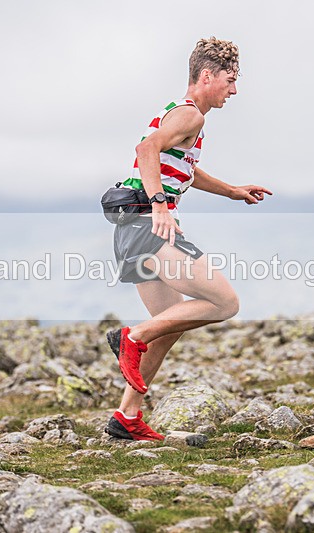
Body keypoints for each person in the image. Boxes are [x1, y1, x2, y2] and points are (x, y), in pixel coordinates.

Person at [104, 37, 272, 441]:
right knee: (225, 302)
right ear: (207, 76)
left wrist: (232, 190)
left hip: (131, 230)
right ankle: (133, 337)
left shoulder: (181, 115)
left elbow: (184, 170)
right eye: (230, 81)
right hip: (150, 225)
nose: (234, 90)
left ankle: (127, 417)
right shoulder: (191, 115)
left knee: (170, 326)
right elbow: (147, 150)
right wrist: (161, 205)